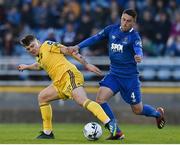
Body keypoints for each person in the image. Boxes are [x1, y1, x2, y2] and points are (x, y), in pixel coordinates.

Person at [67, 9, 166, 140]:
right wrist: (78, 46)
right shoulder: (111, 29)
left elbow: (138, 49)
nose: (125, 23)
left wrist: (139, 56)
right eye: (123, 19)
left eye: (128, 21)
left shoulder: (134, 37)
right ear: (121, 18)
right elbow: (96, 38)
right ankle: (117, 131)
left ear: (133, 23)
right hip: (114, 74)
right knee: (100, 99)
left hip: (129, 78)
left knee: (137, 109)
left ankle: (157, 114)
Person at [17, 34, 118, 139]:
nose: (31, 49)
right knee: (42, 97)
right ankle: (47, 133)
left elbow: (69, 51)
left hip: (69, 75)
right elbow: (39, 65)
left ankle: (109, 123)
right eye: (28, 49)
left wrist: (87, 64)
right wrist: (27, 66)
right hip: (59, 83)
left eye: (33, 46)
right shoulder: (40, 57)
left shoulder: (47, 45)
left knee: (81, 100)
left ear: (38, 41)